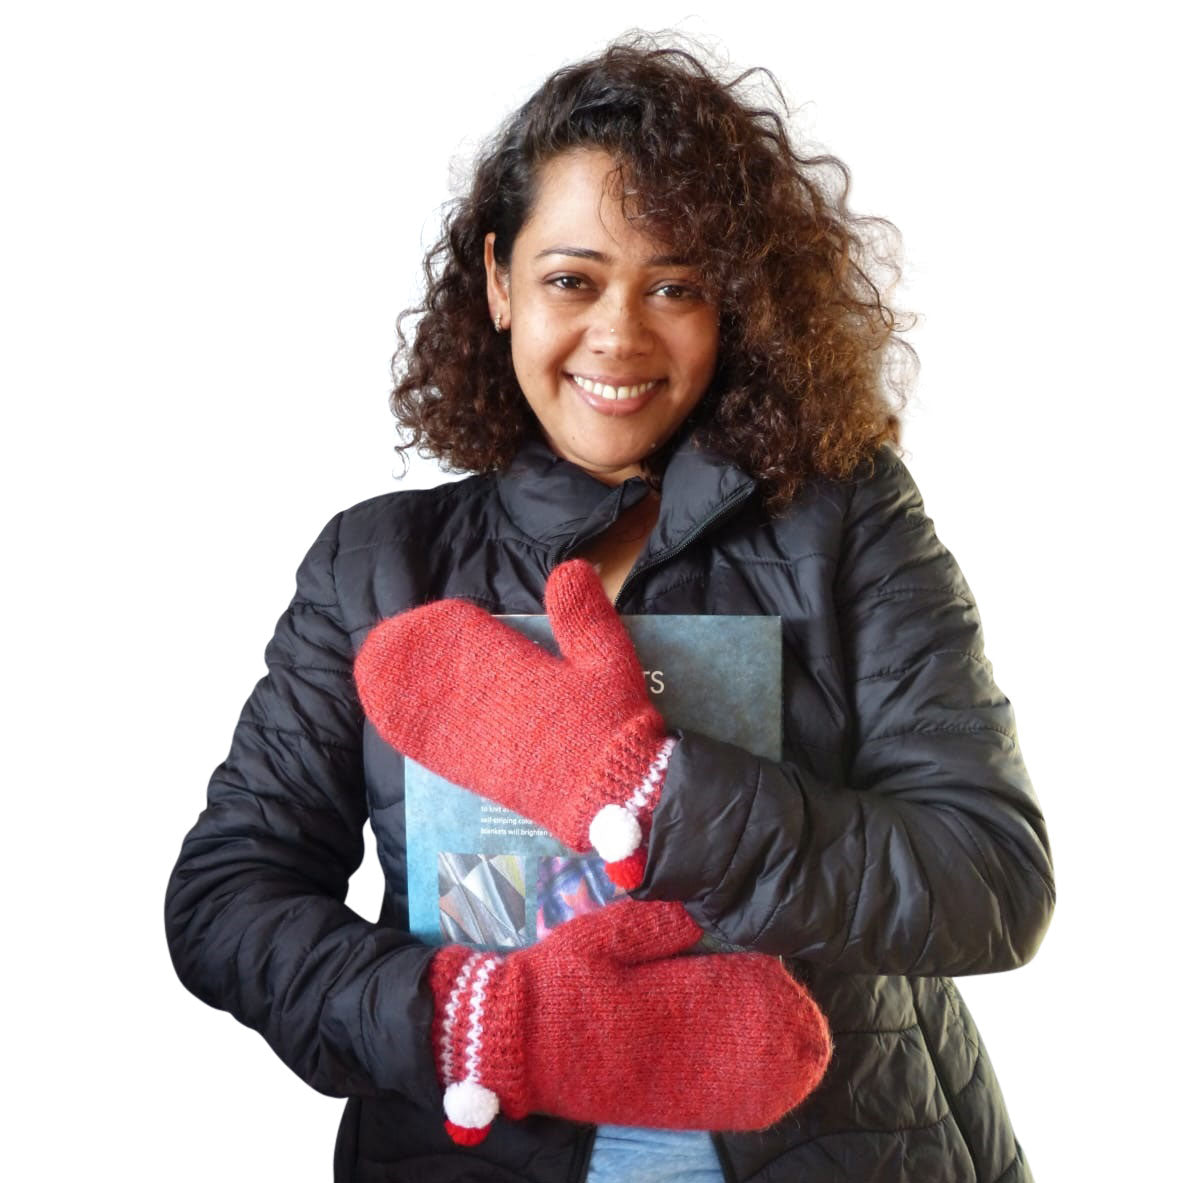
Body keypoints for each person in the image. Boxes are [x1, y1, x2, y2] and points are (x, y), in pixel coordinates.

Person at [165, 35, 1055, 1183]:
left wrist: (655, 799)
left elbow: (991, 875)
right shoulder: (377, 566)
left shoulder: (845, 524)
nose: (620, 335)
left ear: (729, 303)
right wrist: (459, 1020)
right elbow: (229, 893)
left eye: (674, 285)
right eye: (571, 279)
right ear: (497, 282)